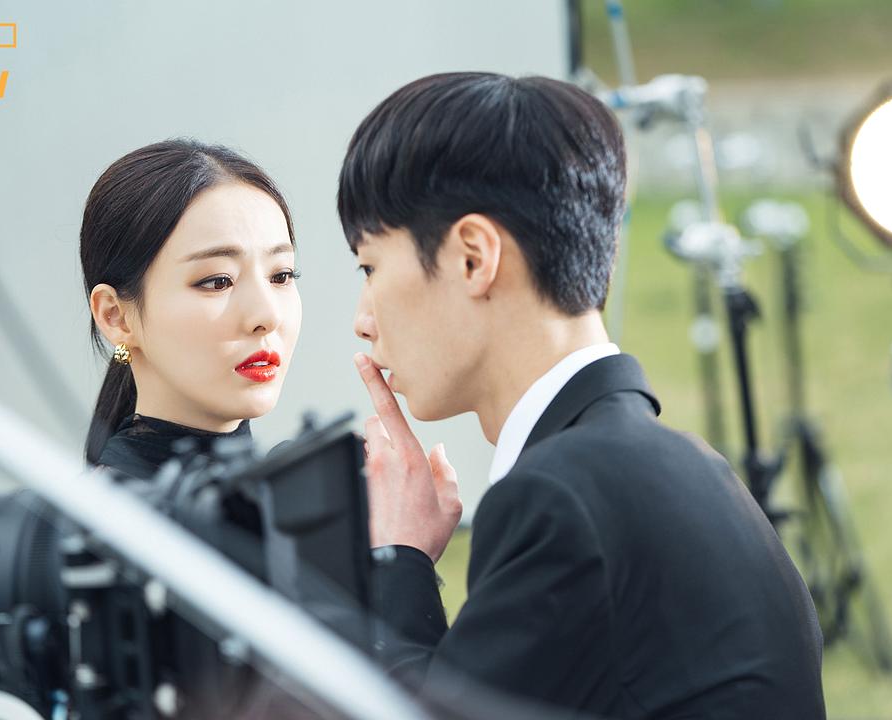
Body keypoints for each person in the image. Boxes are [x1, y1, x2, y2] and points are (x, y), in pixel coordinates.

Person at [339, 72, 826, 719]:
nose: (363, 320)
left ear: (473, 257)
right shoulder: (682, 466)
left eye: (370, 266)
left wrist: (396, 557)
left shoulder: (559, 496)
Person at [79, 138, 301, 479]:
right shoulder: (100, 510)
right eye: (218, 281)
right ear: (116, 316)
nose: (267, 316)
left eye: (281, 276)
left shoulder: (296, 490)